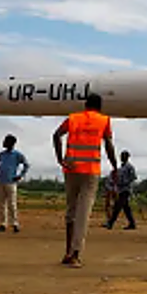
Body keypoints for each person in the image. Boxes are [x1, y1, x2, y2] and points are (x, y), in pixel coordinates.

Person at [53, 93, 118, 267]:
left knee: (71, 211)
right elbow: (108, 144)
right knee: (83, 213)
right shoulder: (104, 120)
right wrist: (115, 166)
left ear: (85, 105)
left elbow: (56, 135)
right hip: (90, 170)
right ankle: (75, 254)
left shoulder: (73, 118)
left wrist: (60, 159)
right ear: (100, 106)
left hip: (71, 167)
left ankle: (67, 252)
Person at [0, 134, 29, 233]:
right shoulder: (1, 154)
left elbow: (26, 165)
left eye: (5, 141)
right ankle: (2, 224)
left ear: (11, 143)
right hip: (0, 181)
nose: (3, 143)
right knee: (1, 204)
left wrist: (20, 175)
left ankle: (15, 224)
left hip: (11, 182)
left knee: (12, 204)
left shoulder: (17, 155)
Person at [103, 150, 137, 230]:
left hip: (125, 190)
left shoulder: (130, 167)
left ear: (127, 157)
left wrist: (125, 182)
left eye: (123, 156)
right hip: (120, 190)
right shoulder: (121, 168)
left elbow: (133, 177)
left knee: (117, 207)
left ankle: (110, 223)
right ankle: (132, 224)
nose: (121, 157)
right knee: (126, 208)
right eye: (121, 156)